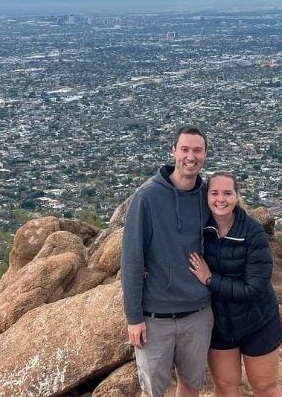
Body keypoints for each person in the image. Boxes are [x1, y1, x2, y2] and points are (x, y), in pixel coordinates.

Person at [121, 125, 213, 397]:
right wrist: (133, 317)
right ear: (173, 151)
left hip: (197, 313)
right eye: (184, 149)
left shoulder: (208, 197)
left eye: (197, 150)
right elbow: (132, 260)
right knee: (153, 392)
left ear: (205, 154)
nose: (190, 156)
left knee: (191, 385)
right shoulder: (146, 197)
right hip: (155, 317)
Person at [188, 171, 282, 397]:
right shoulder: (201, 230)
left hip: (257, 321)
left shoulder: (252, 232)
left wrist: (210, 279)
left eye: (227, 193)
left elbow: (253, 289)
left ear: (237, 196)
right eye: (215, 193)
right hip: (220, 324)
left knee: (265, 387)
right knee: (225, 386)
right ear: (207, 197)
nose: (221, 199)